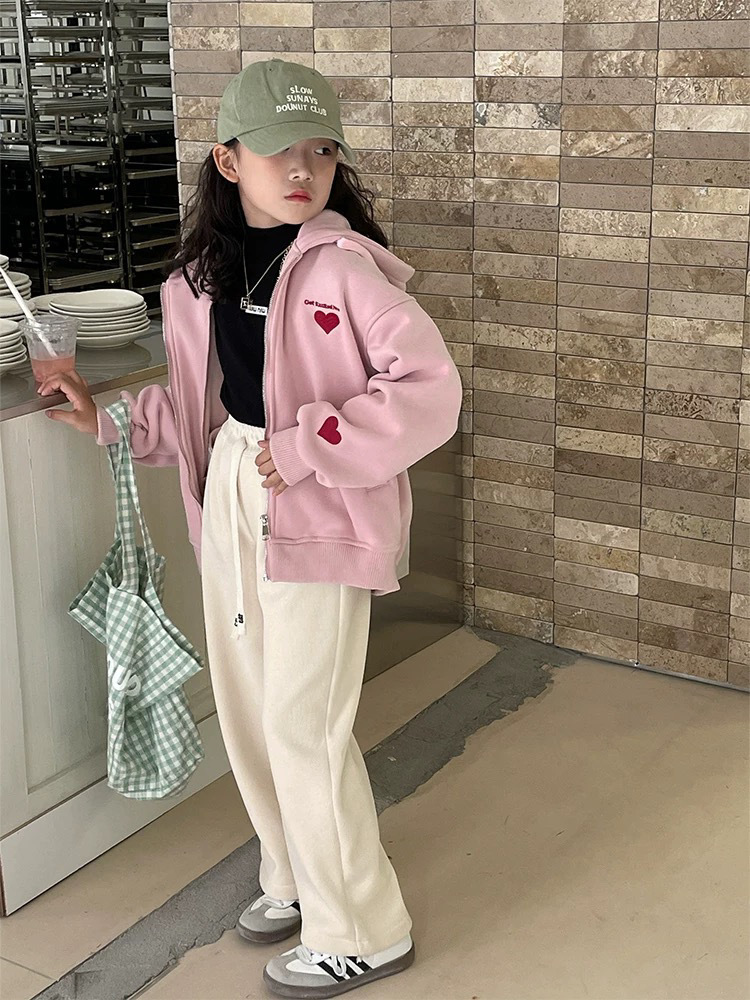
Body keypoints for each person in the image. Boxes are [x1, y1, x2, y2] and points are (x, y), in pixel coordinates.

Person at [36, 59, 463, 997]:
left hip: (321, 501)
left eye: (321, 151)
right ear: (228, 161)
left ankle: (364, 929)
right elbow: (205, 405)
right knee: (251, 712)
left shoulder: (344, 271)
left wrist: (313, 443)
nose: (303, 170)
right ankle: (296, 877)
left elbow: (430, 393)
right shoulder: (196, 282)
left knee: (304, 724)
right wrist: (109, 420)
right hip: (233, 491)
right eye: (278, 152)